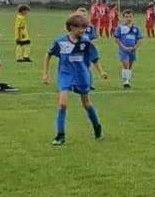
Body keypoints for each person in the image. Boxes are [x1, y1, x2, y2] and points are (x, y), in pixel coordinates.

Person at [43, 12, 106, 145]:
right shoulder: (61, 42)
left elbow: (95, 58)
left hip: (81, 74)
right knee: (63, 104)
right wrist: (45, 73)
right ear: (71, 27)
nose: (84, 30)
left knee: (86, 103)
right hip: (65, 74)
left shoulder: (86, 42)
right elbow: (48, 55)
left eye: (85, 27)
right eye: (81, 28)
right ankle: (60, 135)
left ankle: (97, 127)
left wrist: (101, 72)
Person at [115, 9, 142, 89]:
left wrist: (135, 47)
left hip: (132, 50)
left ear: (133, 17)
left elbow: (140, 39)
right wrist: (124, 47)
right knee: (125, 65)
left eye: (130, 16)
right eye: (126, 17)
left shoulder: (136, 28)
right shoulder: (120, 27)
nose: (128, 18)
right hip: (123, 49)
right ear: (123, 18)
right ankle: (125, 81)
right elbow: (117, 39)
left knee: (130, 66)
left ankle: (128, 80)